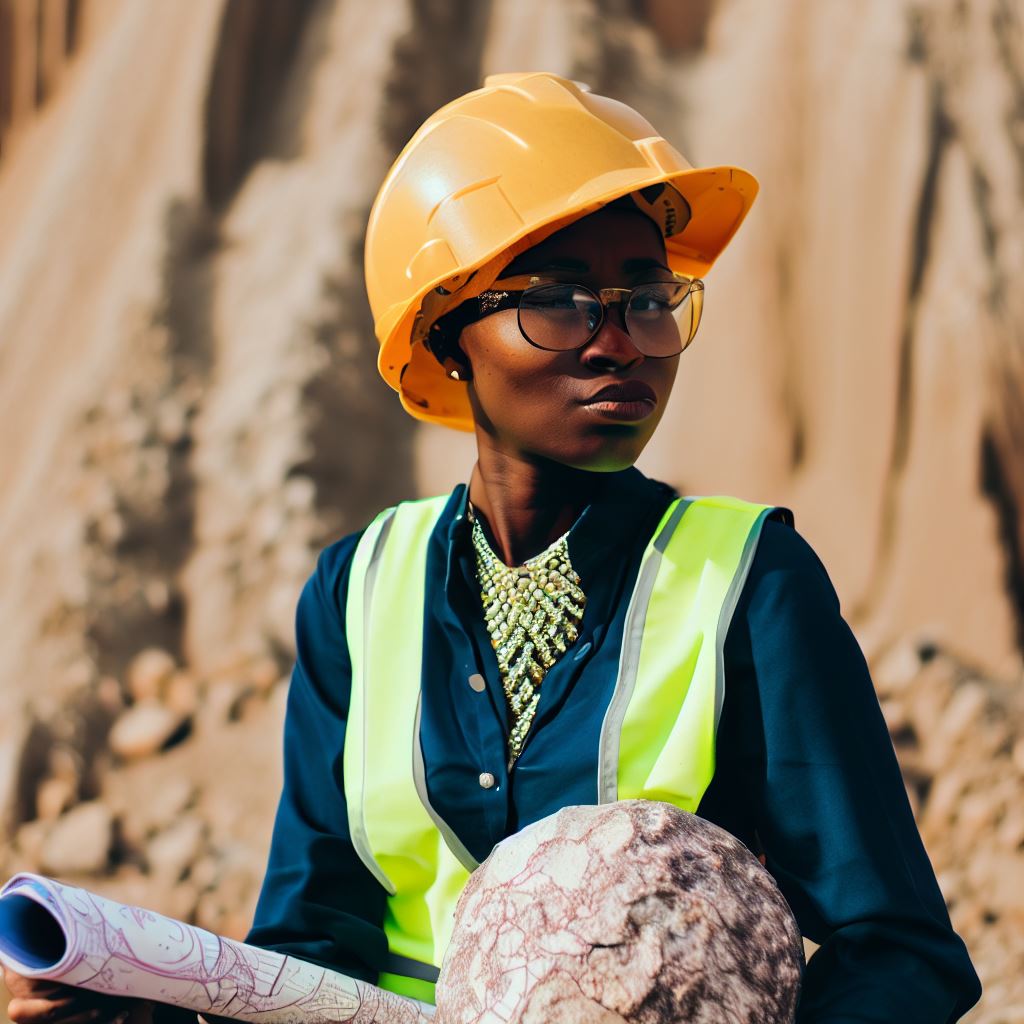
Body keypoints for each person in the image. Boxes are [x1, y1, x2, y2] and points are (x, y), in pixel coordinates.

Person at [6, 72, 981, 1024]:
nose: (619, 341)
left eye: (646, 297)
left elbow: (899, 951)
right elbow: (310, 953)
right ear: (445, 337)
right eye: (559, 300)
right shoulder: (358, 593)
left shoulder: (750, 585)